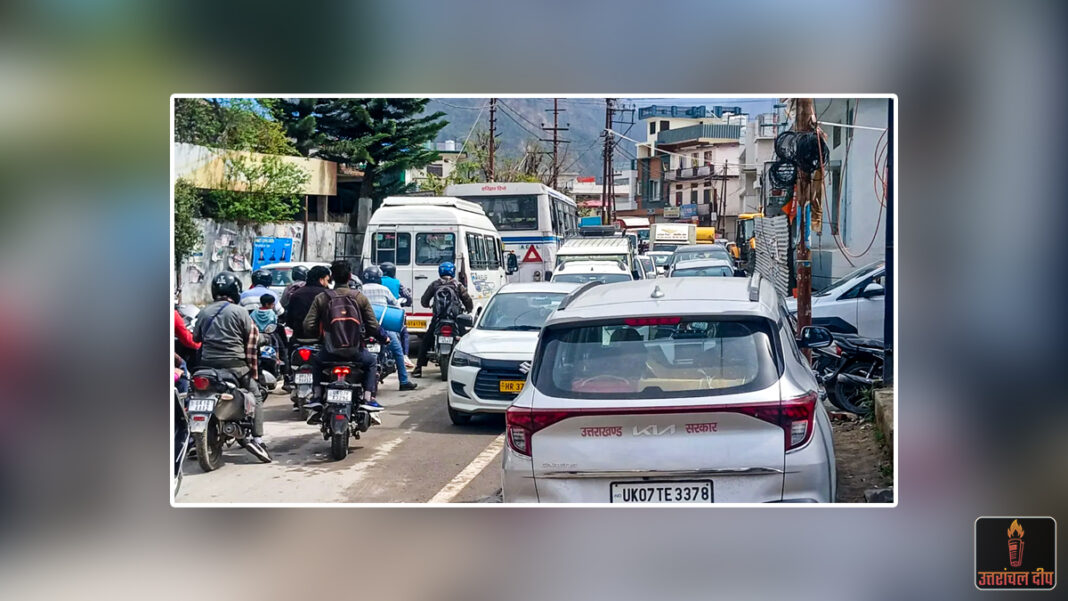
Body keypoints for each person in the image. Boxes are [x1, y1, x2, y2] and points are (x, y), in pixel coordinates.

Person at [192, 272, 268, 453]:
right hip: (236, 367)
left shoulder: (204, 312)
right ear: (235, 291)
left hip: (207, 365)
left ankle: (191, 440)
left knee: (193, 395)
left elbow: (196, 338)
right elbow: (251, 337)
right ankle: (257, 437)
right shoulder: (240, 312)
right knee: (255, 393)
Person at [302, 260, 382, 411]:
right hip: (355, 352)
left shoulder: (322, 298)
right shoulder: (359, 297)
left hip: (330, 351)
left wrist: (319, 336)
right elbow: (373, 326)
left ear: (332, 277)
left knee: (317, 362)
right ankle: (368, 398)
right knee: (372, 362)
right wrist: (382, 338)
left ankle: (317, 396)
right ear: (350, 276)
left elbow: (308, 325)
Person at [360, 266, 417, 391]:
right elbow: (397, 306)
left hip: (364, 328)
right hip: (383, 327)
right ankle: (403, 381)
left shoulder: (360, 290)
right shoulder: (384, 289)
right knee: (398, 351)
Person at [412, 261, 473, 378]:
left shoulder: (435, 284)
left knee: (426, 340)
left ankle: (418, 368)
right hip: (454, 318)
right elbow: (467, 300)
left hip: (438, 319)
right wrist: (469, 310)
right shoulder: (458, 285)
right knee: (465, 340)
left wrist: (428, 306)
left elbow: (424, 301)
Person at [380, 262, 415, 369]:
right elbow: (408, 296)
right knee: (404, 332)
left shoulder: (377, 281)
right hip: (391, 314)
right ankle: (405, 357)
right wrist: (408, 302)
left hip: (377, 314)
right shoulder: (396, 283)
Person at [286, 265, 330, 340]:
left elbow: (289, 320)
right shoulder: (327, 295)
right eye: (327, 280)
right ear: (321, 280)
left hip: (299, 336)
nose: (328, 283)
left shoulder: (296, 294)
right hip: (321, 338)